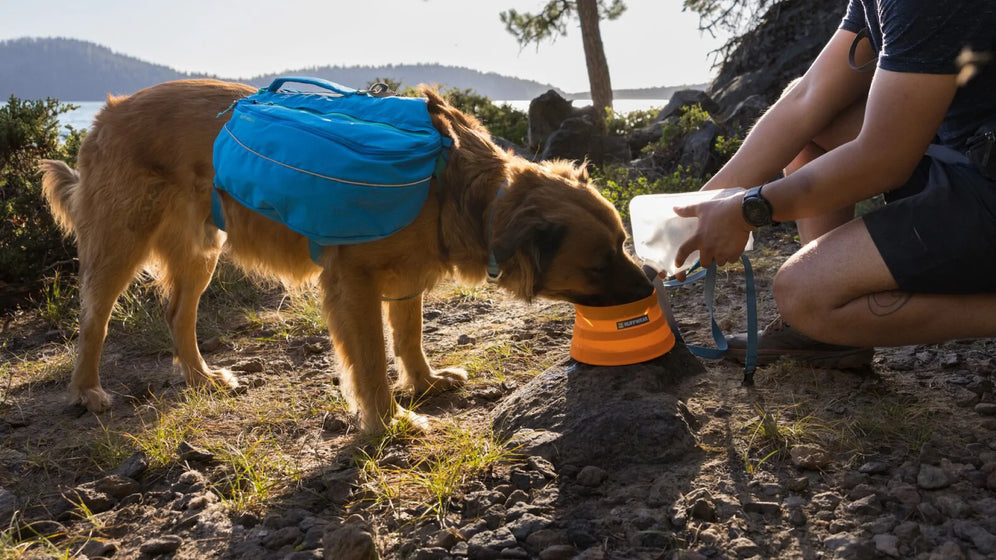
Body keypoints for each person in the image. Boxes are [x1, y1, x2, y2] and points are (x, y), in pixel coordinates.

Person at [672, 0, 996, 368]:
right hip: (968, 156)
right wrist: (690, 218)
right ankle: (826, 339)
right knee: (817, 120)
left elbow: (883, 161)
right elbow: (807, 98)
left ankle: (822, 316)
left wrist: (749, 209)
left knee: (802, 294)